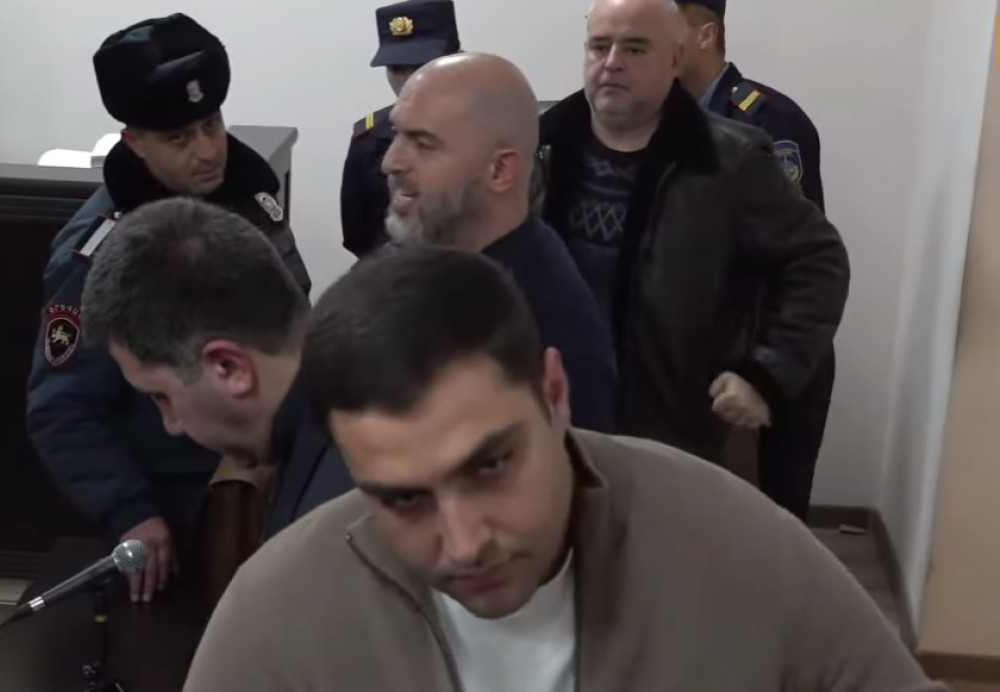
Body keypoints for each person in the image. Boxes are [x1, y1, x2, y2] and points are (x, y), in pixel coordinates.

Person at [181, 245, 943, 692]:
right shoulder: (275, 617)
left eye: (491, 465)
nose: (465, 541)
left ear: (554, 393)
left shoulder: (736, 544)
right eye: (404, 500)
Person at [26, 14, 312, 603]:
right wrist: (130, 512)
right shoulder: (102, 252)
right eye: (179, 139)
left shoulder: (251, 195)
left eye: (212, 124)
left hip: (279, 475)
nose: (207, 152)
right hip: (186, 506)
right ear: (135, 142)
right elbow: (62, 407)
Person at [536, 0, 849, 464]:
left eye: (635, 48)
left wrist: (765, 374)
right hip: (556, 420)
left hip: (675, 432)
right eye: (599, 46)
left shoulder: (727, 160)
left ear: (675, 59)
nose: (612, 62)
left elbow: (818, 259)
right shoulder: (540, 145)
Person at [81, 197, 348, 541]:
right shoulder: (365, 403)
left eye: (162, 396)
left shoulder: (331, 517)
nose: (172, 425)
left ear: (229, 367)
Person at [382, 51, 618, 432]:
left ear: (500, 169)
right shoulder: (423, 258)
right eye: (396, 134)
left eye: (423, 144)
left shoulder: (542, 331)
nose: (391, 162)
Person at [676, 0, 833, 522]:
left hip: (768, 356)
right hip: (700, 360)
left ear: (705, 34)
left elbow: (794, 260)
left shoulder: (766, 120)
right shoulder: (662, 121)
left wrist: (765, 370)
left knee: (772, 524)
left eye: (665, 26)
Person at [340, 0, 460, 258]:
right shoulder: (369, 138)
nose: (409, 80)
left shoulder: (490, 130)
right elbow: (358, 236)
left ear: (456, 59)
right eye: (396, 68)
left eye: (420, 66)